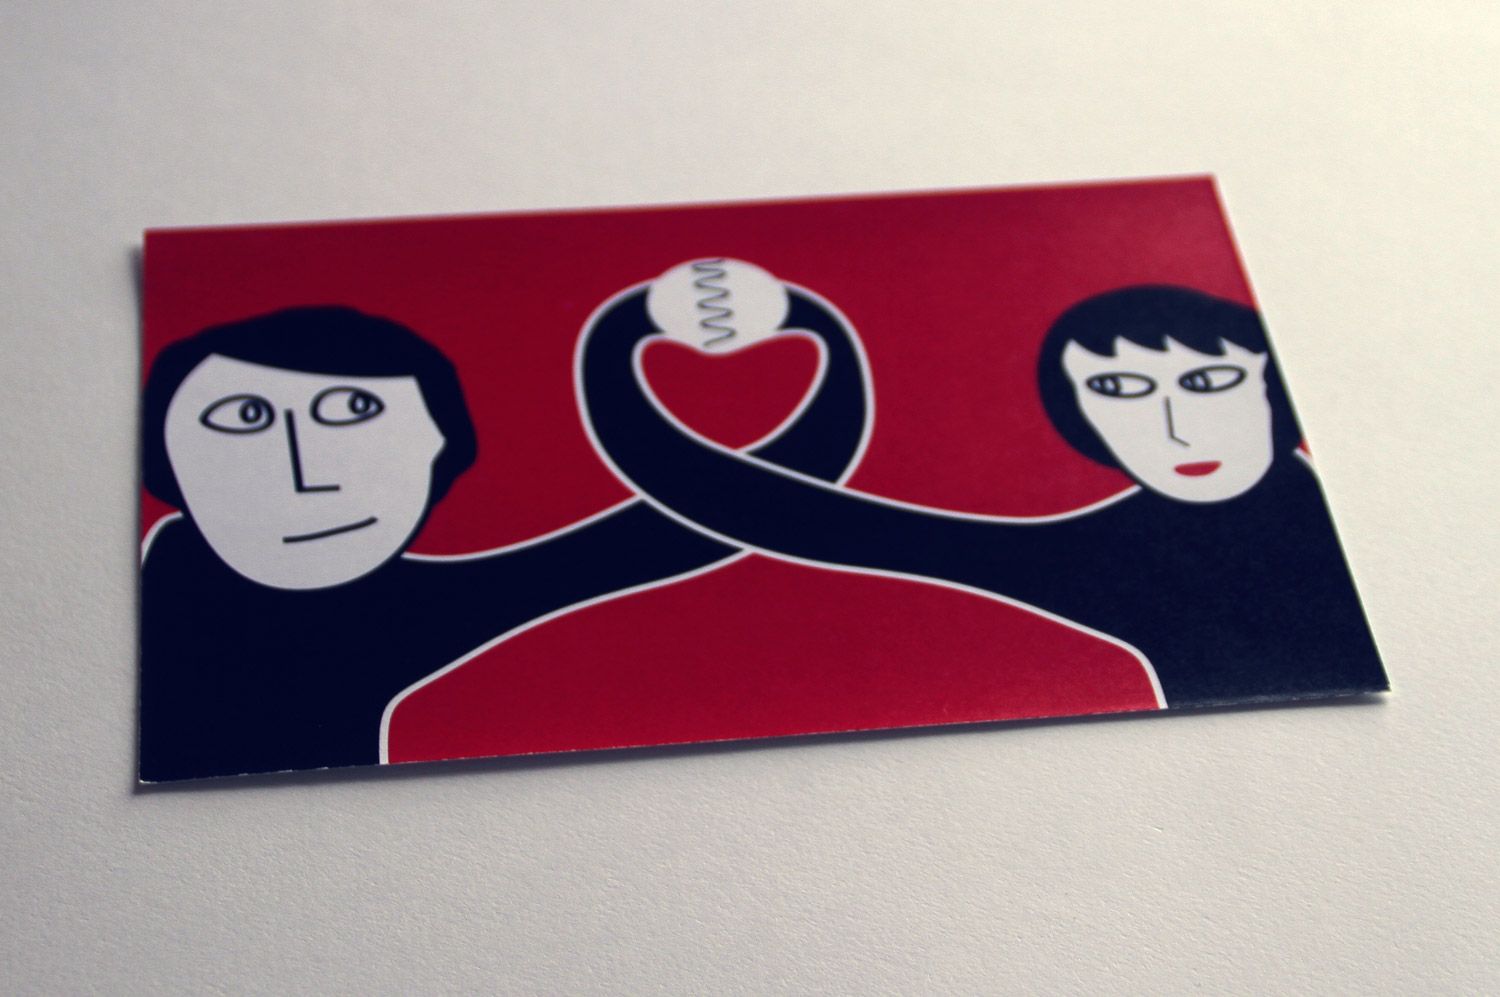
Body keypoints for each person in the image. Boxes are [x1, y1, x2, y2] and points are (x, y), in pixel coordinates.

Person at [139, 299, 868, 781]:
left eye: (353, 409)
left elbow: (667, 534)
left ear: (444, 447)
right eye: (244, 417)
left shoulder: (398, 611)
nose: (304, 473)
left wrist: (814, 339)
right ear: (164, 461)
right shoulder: (167, 575)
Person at [580, 284, 1388, 707]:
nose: (1176, 429)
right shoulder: (1109, 557)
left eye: (1208, 381)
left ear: (1271, 386)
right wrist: (620, 343)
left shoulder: (1374, 514)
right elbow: (793, 517)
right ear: (1080, 418)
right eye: (1120, 389)